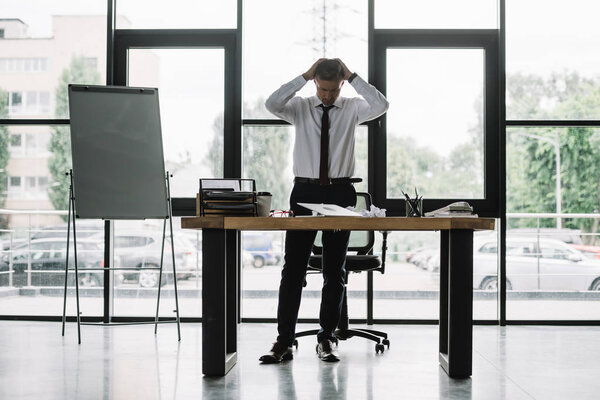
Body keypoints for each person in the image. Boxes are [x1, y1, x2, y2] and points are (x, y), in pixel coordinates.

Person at [260, 58, 389, 363]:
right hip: (304, 192)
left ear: (340, 84)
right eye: (322, 88)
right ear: (315, 83)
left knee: (335, 270)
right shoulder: (300, 106)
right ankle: (284, 342)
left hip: (341, 192)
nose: (327, 96)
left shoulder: (353, 108)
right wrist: (303, 76)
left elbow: (381, 104)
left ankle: (327, 338)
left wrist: (354, 76)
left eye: (333, 90)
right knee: (293, 270)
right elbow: (271, 103)